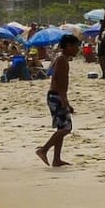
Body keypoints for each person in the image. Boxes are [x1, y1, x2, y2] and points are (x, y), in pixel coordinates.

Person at [37, 35, 80, 166]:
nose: (77, 49)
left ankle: (56, 159)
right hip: (56, 96)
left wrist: (66, 100)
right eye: (76, 46)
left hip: (57, 95)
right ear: (68, 46)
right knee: (66, 128)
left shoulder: (62, 59)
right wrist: (63, 100)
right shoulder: (62, 60)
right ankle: (43, 149)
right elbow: (57, 80)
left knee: (61, 127)